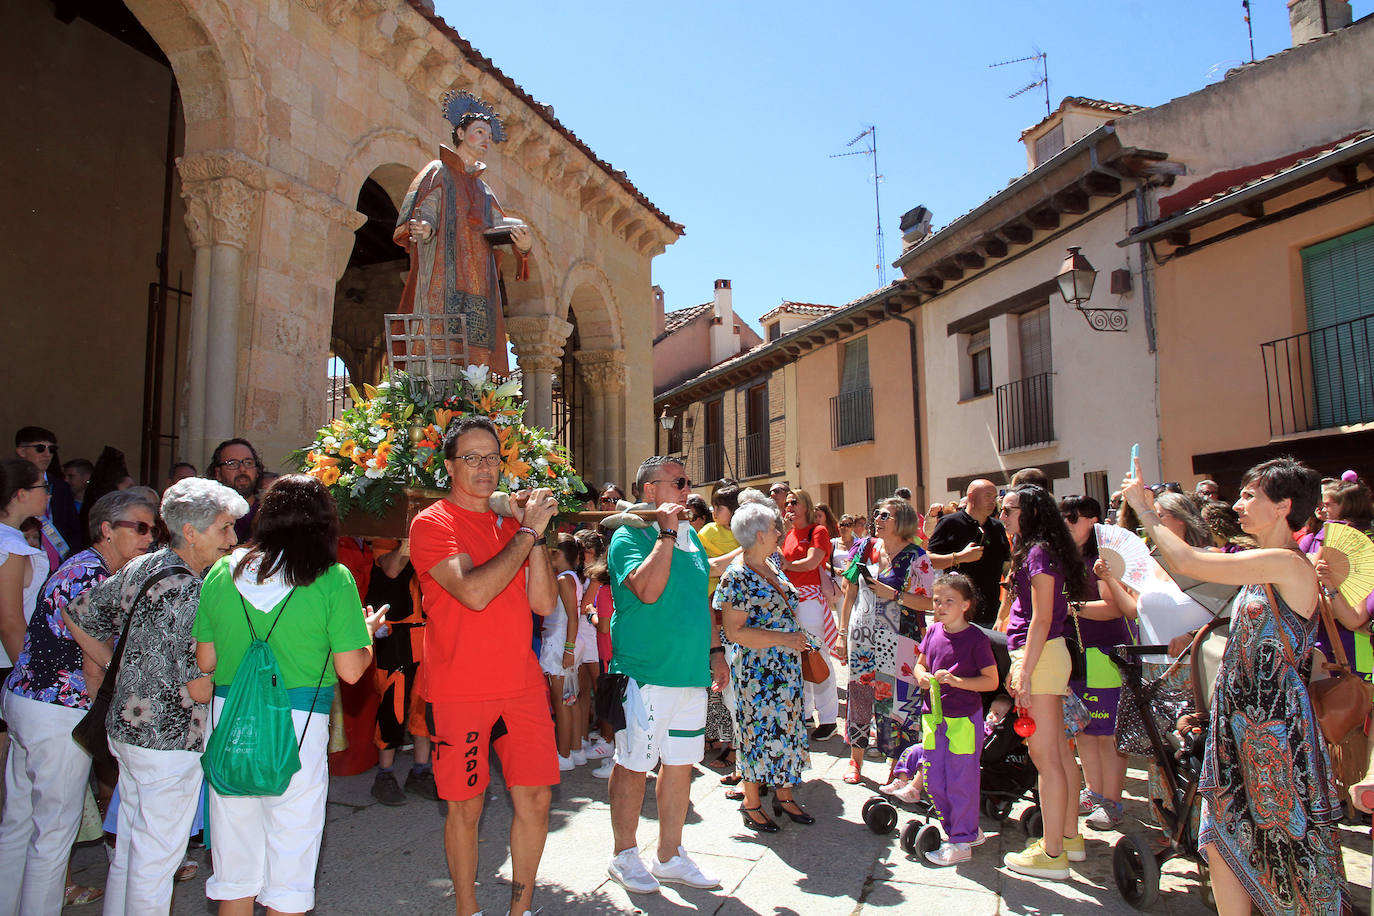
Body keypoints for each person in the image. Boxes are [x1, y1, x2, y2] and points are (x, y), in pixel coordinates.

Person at [1121, 455, 1345, 915]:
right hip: (1239, 732)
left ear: (1283, 506)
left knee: (1284, 851)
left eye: (1249, 496)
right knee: (1221, 842)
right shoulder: (1259, 564)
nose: (1237, 504)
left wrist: (1143, 509)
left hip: (1275, 740)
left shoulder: (1285, 564)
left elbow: (1187, 558)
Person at [192, 475, 381, 916]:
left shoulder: (222, 572)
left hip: (230, 721)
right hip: (298, 729)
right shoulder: (333, 579)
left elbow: (205, 661)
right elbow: (351, 670)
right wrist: (367, 634)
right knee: (289, 868)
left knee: (234, 871)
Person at [65, 479, 243, 915]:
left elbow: (79, 615)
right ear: (192, 532)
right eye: (224, 529)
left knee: (131, 846)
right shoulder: (193, 591)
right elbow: (198, 685)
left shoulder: (146, 564)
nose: (233, 540)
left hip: (126, 731)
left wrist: (119, 671)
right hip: (169, 740)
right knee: (156, 859)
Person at [408, 416, 560, 916]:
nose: (484, 467)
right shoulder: (432, 524)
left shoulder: (513, 526)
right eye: (471, 458)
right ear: (450, 466)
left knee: (536, 799)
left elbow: (543, 604)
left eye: (492, 457)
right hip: (460, 688)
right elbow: (472, 592)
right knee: (466, 807)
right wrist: (526, 535)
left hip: (520, 684)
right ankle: (467, 909)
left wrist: (532, 536)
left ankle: (521, 909)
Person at [0, 491, 155, 916]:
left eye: (153, 530)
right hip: (58, 710)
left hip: (27, 701)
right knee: (52, 832)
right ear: (107, 529)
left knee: (19, 822)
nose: (148, 538)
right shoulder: (93, 576)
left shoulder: (82, 566)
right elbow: (94, 663)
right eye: (139, 528)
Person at [606, 456, 726, 895]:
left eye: (688, 482)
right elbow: (649, 590)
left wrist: (715, 652)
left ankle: (670, 855)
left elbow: (699, 600)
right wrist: (667, 533)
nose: (687, 490)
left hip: (688, 673)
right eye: (678, 482)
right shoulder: (628, 535)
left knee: (679, 766)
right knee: (634, 765)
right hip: (645, 673)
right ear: (650, 491)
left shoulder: (692, 536)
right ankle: (624, 855)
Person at [393, 91, 533, 377]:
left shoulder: (484, 191)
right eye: (479, 132)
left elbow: (499, 228)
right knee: (436, 344)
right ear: (459, 132)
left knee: (472, 354)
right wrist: (426, 227)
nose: (485, 140)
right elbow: (427, 207)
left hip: (476, 285)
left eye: (489, 136)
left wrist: (523, 243)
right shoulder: (439, 171)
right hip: (442, 279)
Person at [999, 485, 1086, 880]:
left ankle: (1053, 855)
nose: (1003, 517)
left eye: (1009, 510)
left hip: (1041, 656)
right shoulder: (1041, 549)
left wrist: (1024, 670)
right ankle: (1068, 839)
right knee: (1060, 755)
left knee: (1046, 759)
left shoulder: (1038, 553)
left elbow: (1042, 618)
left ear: (1030, 513)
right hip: (1046, 656)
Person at [714, 501, 813, 834]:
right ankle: (752, 801)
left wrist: (790, 640)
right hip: (758, 671)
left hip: (783, 667)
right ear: (758, 535)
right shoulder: (736, 576)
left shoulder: (771, 564)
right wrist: (784, 639)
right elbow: (734, 632)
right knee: (757, 733)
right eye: (774, 528)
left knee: (787, 729)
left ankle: (784, 795)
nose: (779, 532)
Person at [836, 498, 935, 785]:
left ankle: (897, 765)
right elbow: (850, 591)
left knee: (899, 701)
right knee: (860, 695)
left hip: (902, 637)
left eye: (885, 516)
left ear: (901, 521)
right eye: (877, 514)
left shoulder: (918, 557)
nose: (877, 519)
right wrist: (843, 633)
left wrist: (893, 594)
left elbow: (929, 602)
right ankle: (856, 761)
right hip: (863, 635)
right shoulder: (865, 548)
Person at [914, 573, 998, 865]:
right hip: (933, 716)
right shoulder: (933, 631)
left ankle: (961, 841)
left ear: (966, 605)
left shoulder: (976, 638)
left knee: (961, 780)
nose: (940, 606)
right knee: (934, 779)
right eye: (937, 600)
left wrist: (958, 681)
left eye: (949, 600)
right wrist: (922, 676)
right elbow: (920, 663)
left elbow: (990, 681)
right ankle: (963, 830)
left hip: (963, 719)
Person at [1057, 495, 1129, 831]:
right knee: (1084, 729)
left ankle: (1112, 802)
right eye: (1063, 516)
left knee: (1108, 733)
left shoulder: (1102, 558)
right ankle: (1094, 791)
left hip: (1104, 652)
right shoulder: (1064, 558)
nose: (1066, 522)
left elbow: (1114, 607)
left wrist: (1074, 607)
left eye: (1072, 517)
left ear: (1092, 520)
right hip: (1076, 654)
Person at [365, 538, 436, 806]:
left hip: (428, 632)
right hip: (396, 635)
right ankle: (384, 776)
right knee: (392, 706)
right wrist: (410, 536)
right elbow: (392, 569)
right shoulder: (386, 536)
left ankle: (420, 771)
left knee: (423, 706)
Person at [780, 489, 838, 739]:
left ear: (806, 505)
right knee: (797, 656)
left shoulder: (818, 531)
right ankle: (804, 711)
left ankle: (828, 717)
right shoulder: (788, 534)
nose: (789, 505)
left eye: (794, 502)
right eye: (788, 502)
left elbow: (813, 562)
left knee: (817, 654)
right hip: (790, 600)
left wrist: (788, 565)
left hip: (810, 599)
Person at [697, 485, 741, 772]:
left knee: (735, 684)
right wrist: (742, 550)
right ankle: (725, 740)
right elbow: (706, 566)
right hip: (713, 609)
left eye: (719, 507)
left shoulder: (744, 532)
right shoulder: (708, 533)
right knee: (720, 681)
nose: (713, 512)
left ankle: (736, 745)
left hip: (739, 612)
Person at [927, 479, 1010, 628]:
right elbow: (928, 560)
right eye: (988, 496)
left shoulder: (997, 527)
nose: (993, 502)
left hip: (991, 613)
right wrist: (959, 557)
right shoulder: (949, 523)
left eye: (995, 497)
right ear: (971, 496)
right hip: (958, 615)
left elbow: (1006, 564)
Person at [0, 459, 52, 674]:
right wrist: (28, 677)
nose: (49, 495)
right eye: (44, 487)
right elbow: (10, 623)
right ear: (21, 494)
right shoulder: (10, 546)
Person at [14, 427, 79, 566]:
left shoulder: (61, 487)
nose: (47, 454)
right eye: (40, 448)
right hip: (22, 561)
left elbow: (73, 529)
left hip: (59, 564)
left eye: (52, 449)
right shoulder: (9, 484)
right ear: (21, 451)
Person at [207, 438, 264, 543]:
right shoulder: (209, 517)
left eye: (248, 463)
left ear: (257, 471)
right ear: (218, 473)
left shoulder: (268, 513)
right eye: (232, 464)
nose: (242, 469)